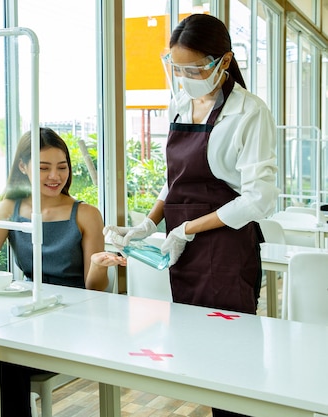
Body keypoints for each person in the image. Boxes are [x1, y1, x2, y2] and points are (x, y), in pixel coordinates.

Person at [105, 14, 278, 417]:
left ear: (224, 61)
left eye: (195, 68)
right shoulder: (180, 104)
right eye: (177, 68)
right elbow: (177, 181)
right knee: (199, 355)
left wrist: (187, 227)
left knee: (233, 362)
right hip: (186, 254)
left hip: (227, 250)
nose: (186, 77)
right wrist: (149, 223)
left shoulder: (250, 112)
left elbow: (259, 199)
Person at [0, 127, 125, 417]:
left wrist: (99, 265)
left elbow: (94, 289)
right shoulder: (9, 208)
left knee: (5, 360)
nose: (55, 176)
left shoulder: (86, 213)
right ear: (23, 167)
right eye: (43, 167)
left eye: (62, 167)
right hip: (30, 314)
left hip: (74, 320)